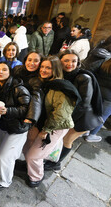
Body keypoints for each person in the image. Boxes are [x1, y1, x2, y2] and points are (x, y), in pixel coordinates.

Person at [24, 56, 80, 188]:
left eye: (48, 67)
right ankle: (29, 166)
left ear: (55, 69)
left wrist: (46, 130)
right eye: (42, 67)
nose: (43, 70)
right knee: (27, 147)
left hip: (55, 126)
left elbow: (60, 115)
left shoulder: (61, 87)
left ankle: (36, 177)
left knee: (34, 155)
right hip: (43, 122)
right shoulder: (46, 83)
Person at [43, 50, 103, 171]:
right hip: (74, 114)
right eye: (66, 60)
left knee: (67, 140)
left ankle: (56, 163)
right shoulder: (63, 74)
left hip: (84, 118)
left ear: (78, 63)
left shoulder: (83, 77)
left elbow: (83, 104)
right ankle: (53, 159)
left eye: (74, 61)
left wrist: (67, 122)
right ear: (60, 61)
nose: (70, 63)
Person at [0, 62, 30, 190]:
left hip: (17, 127)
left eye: (4, 69)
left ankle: (4, 181)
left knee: (5, 156)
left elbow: (26, 109)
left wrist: (7, 111)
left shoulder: (19, 88)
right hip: (3, 124)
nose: (0, 72)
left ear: (10, 72)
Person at [86, 59, 111, 142]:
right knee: (102, 117)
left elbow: (92, 68)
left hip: (98, 90)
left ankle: (84, 130)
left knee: (92, 111)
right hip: (109, 98)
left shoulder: (106, 62)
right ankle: (91, 135)